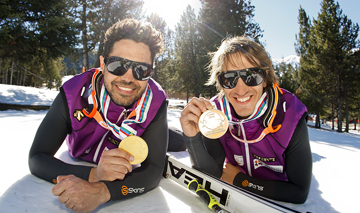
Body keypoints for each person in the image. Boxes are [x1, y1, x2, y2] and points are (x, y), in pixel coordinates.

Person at [28, 18, 184, 212]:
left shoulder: (156, 101)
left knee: (180, 142)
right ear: (102, 63)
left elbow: (153, 170)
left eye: (141, 70)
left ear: (150, 72)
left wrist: (103, 191)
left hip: (142, 134)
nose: (128, 78)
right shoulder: (73, 93)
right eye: (117, 64)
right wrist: (93, 175)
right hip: (89, 149)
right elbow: (37, 158)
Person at [179, 36, 312, 204]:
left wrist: (241, 181)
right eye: (229, 78)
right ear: (220, 83)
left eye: (252, 76)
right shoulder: (214, 115)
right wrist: (192, 138)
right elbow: (211, 176)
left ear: (265, 79)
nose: (240, 90)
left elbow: (299, 192)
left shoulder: (290, 115)